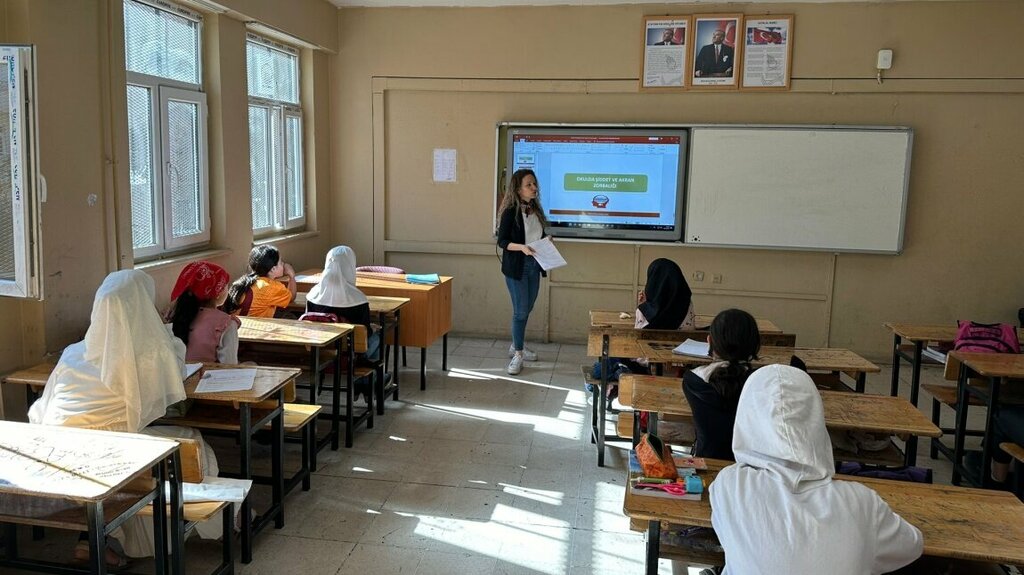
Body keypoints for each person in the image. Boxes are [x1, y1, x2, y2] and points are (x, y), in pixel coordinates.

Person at [28, 270, 237, 562]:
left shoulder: (73, 353)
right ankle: (212, 518)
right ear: (141, 307)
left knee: (127, 446)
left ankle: (90, 541)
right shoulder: (148, 355)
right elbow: (169, 393)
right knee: (194, 444)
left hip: (59, 454)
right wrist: (166, 342)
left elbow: (46, 405)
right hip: (112, 457)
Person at [709, 364, 923, 575]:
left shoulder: (729, 485)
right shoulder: (862, 502)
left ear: (747, 418)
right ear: (816, 420)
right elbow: (913, 544)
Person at [681, 308, 760, 460]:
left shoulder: (692, 381)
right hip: (750, 467)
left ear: (709, 341)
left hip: (705, 463)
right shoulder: (762, 383)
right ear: (755, 345)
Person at [497, 168, 548, 375]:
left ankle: (516, 344)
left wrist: (547, 241)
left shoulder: (536, 210)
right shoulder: (510, 210)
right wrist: (522, 247)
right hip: (517, 266)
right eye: (529, 185)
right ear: (518, 189)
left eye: (535, 184)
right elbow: (502, 241)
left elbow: (537, 236)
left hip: (535, 265)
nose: (534, 188)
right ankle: (518, 354)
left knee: (527, 308)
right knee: (520, 311)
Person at [306, 245, 381, 361]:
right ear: (350, 267)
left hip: (320, 350)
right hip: (350, 353)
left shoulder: (313, 295)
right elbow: (365, 333)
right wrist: (372, 329)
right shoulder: (359, 299)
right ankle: (369, 377)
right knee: (376, 338)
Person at [166, 261, 239, 364]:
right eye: (226, 285)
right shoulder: (227, 323)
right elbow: (230, 366)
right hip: (209, 378)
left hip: (177, 378)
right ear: (218, 292)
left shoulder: (171, 316)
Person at [222, 245, 296, 317]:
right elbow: (291, 298)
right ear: (273, 269)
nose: (283, 264)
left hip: (238, 325)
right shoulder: (271, 287)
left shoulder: (245, 281)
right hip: (255, 327)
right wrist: (292, 276)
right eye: (280, 262)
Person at [635, 258, 695, 330]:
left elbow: (638, 335)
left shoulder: (643, 312)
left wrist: (645, 305)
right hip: (684, 341)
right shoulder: (687, 304)